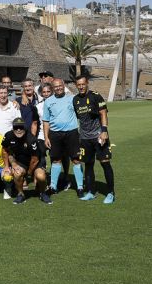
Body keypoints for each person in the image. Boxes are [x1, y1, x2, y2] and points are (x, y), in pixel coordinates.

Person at [73, 75, 115, 204]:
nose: (81, 86)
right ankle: (91, 192)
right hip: (85, 138)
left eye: (83, 84)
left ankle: (110, 193)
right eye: (78, 85)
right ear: (76, 85)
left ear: (87, 84)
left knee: (105, 162)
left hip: (98, 136)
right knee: (88, 165)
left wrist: (104, 131)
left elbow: (103, 113)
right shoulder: (75, 100)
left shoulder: (95, 96)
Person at [43, 78, 85, 197]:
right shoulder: (48, 101)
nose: (58, 88)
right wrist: (46, 137)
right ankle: (53, 187)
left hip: (71, 133)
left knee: (76, 160)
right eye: (55, 86)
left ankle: (80, 187)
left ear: (63, 85)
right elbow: (45, 121)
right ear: (52, 88)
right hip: (55, 134)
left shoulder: (72, 98)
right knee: (56, 160)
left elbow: (82, 113)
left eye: (60, 86)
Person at [1, 118, 52, 205]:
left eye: (21, 127)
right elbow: (4, 150)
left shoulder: (31, 139)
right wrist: (7, 165)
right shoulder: (8, 135)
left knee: (41, 176)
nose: (18, 129)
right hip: (21, 161)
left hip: (37, 161)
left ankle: (43, 193)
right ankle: (21, 194)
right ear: (13, 127)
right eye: (16, 127)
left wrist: (28, 174)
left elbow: (35, 160)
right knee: (17, 173)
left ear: (25, 127)